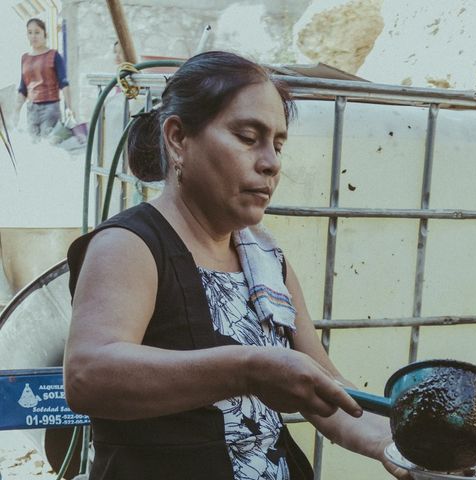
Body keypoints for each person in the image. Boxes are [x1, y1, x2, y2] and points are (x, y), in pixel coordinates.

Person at [63, 51, 410, 480]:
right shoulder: (131, 245)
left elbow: (333, 396)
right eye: (248, 137)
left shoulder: (265, 260)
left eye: (278, 144)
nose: (271, 163)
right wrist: (247, 368)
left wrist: (412, 452)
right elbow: (88, 377)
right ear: (177, 138)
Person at [14, 18, 74, 139]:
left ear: (44, 34)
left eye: (37, 32)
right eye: (30, 33)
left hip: (50, 108)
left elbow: (64, 83)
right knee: (34, 147)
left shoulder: (54, 55)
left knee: (48, 146)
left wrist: (69, 108)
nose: (33, 36)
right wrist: (16, 111)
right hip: (31, 110)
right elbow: (23, 88)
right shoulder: (25, 58)